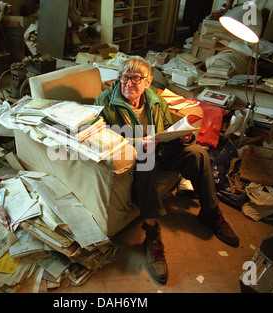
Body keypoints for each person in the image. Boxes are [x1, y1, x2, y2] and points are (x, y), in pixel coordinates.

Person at [94, 56, 239, 285]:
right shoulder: (105, 102)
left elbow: (165, 132)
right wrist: (137, 143)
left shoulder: (156, 100)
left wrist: (183, 136)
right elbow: (101, 138)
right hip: (134, 159)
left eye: (135, 79)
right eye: (124, 78)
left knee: (198, 153)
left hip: (160, 151)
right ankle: (152, 236)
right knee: (147, 157)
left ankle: (211, 213)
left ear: (148, 82)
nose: (128, 84)